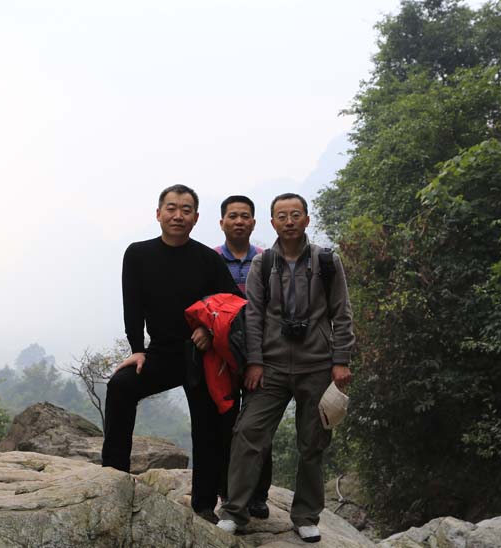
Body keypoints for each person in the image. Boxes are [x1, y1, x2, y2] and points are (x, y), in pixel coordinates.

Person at [217, 193, 355, 543]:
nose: (289, 221)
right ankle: (235, 512)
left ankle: (306, 516)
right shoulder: (263, 264)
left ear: (307, 219)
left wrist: (341, 361)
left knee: (313, 443)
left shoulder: (326, 261)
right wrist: (255, 362)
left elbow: (341, 312)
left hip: (317, 365)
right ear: (272, 222)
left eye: (295, 215)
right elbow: (253, 316)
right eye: (282, 216)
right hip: (272, 366)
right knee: (248, 434)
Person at [101, 184, 239, 525]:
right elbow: (132, 305)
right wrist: (137, 349)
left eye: (186, 210)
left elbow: (234, 304)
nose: (178, 215)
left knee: (207, 423)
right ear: (158, 213)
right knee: (120, 387)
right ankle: (113, 479)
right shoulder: (138, 254)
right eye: (172, 208)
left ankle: (204, 502)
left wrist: (209, 330)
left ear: (196, 217)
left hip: (200, 355)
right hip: (159, 353)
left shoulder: (208, 259)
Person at [214, 195, 273, 520]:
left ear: (253, 222)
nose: (239, 221)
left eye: (245, 216)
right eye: (233, 216)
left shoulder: (266, 260)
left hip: (258, 353)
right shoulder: (210, 259)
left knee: (258, 426)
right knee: (223, 425)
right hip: (221, 355)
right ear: (222, 222)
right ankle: (227, 492)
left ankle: (258, 495)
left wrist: (259, 357)